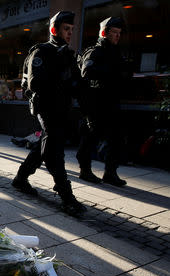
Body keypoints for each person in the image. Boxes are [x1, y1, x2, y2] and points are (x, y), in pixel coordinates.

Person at [11, 11, 86, 215]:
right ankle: (66, 196)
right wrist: (59, 70)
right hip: (46, 107)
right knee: (54, 151)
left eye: (71, 29)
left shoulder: (68, 54)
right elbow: (35, 83)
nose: (70, 33)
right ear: (55, 30)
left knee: (44, 145)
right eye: (66, 29)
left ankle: (20, 178)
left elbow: (74, 85)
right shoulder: (42, 51)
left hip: (63, 108)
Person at [76, 17, 129, 187]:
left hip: (112, 102)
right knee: (91, 137)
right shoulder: (96, 51)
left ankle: (110, 172)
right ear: (104, 33)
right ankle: (85, 171)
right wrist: (111, 72)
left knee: (116, 139)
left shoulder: (116, 52)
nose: (117, 36)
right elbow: (87, 72)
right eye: (114, 32)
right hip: (96, 103)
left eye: (119, 33)